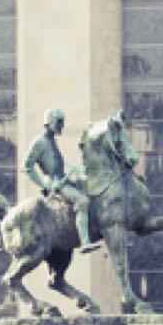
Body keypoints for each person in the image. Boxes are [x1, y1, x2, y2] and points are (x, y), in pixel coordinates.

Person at [23, 108, 98, 253]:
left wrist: (75, 170)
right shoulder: (39, 142)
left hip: (63, 178)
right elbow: (27, 167)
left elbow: (57, 163)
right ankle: (85, 241)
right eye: (59, 123)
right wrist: (45, 185)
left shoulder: (51, 141)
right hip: (56, 183)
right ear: (50, 122)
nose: (62, 126)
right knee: (82, 201)